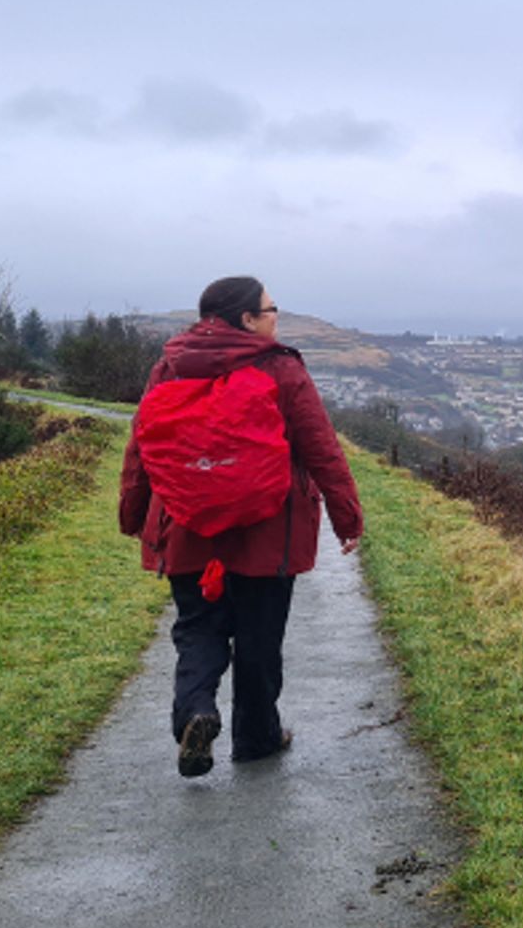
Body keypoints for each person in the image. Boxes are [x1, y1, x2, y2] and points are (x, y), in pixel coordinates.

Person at [118, 276, 364, 777]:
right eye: (271, 309)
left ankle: (197, 712)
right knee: (259, 639)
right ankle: (256, 739)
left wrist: (133, 513)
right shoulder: (280, 368)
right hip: (267, 532)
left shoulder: (169, 366)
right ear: (247, 320)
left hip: (188, 526)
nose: (277, 317)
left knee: (196, 631)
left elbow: (141, 447)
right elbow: (321, 448)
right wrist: (346, 518)